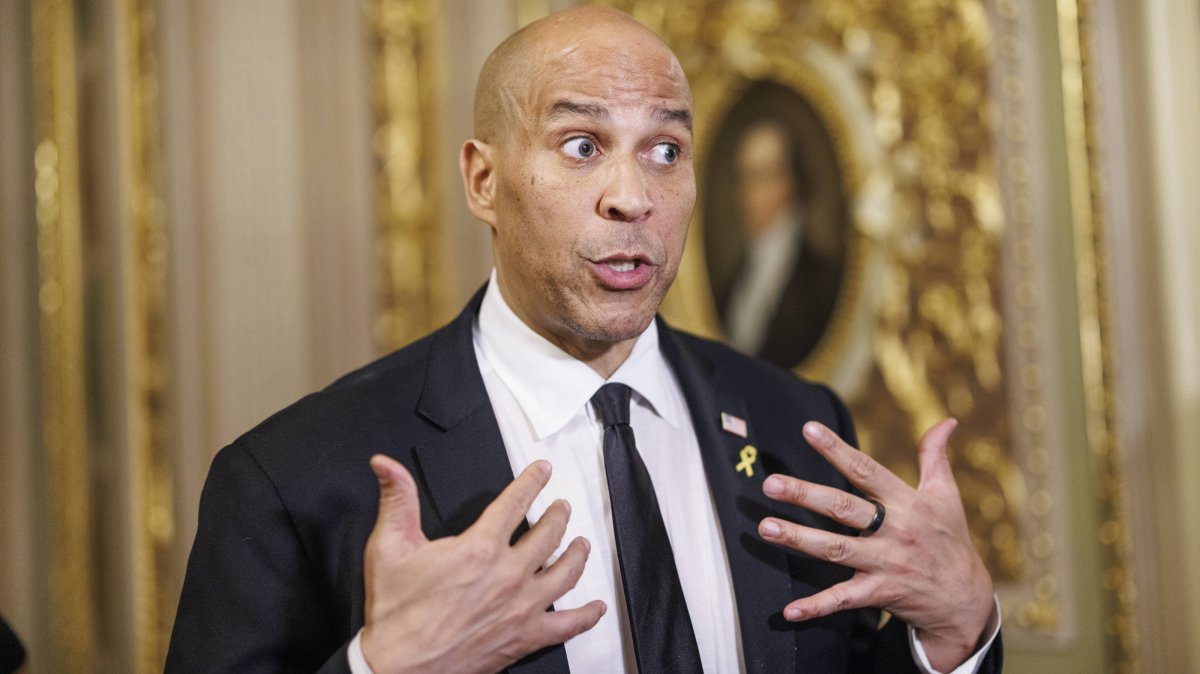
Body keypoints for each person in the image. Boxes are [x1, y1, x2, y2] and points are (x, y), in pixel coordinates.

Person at [166, 6, 1000, 673]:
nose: (632, 197)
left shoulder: (794, 424)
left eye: (665, 150)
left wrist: (955, 636)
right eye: (582, 146)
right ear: (483, 180)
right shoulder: (294, 477)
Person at [718, 119, 845, 369]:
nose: (746, 194)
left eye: (761, 177)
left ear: (791, 183)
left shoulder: (822, 281)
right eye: (743, 177)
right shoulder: (732, 282)